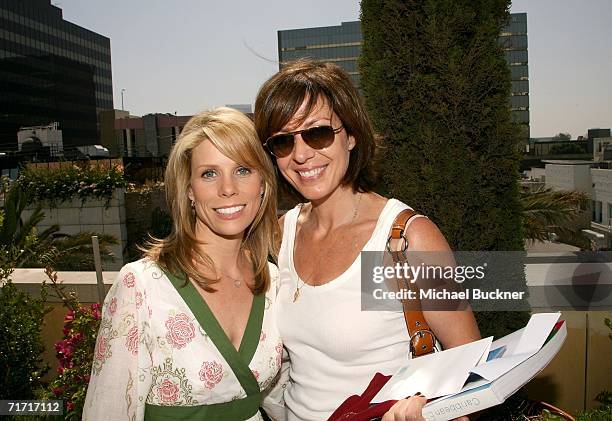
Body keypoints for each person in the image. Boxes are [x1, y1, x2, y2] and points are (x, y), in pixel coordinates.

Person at [254, 59, 481, 421]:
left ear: (351, 134)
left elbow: (471, 371)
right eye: (283, 141)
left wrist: (431, 409)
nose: (300, 155)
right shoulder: (280, 235)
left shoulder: (406, 239)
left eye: (317, 133)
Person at [83, 107, 284, 421]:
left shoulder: (272, 282)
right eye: (209, 173)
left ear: (263, 183)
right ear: (189, 190)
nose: (228, 189)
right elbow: (107, 411)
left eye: (243, 169)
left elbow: (283, 396)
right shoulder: (142, 286)